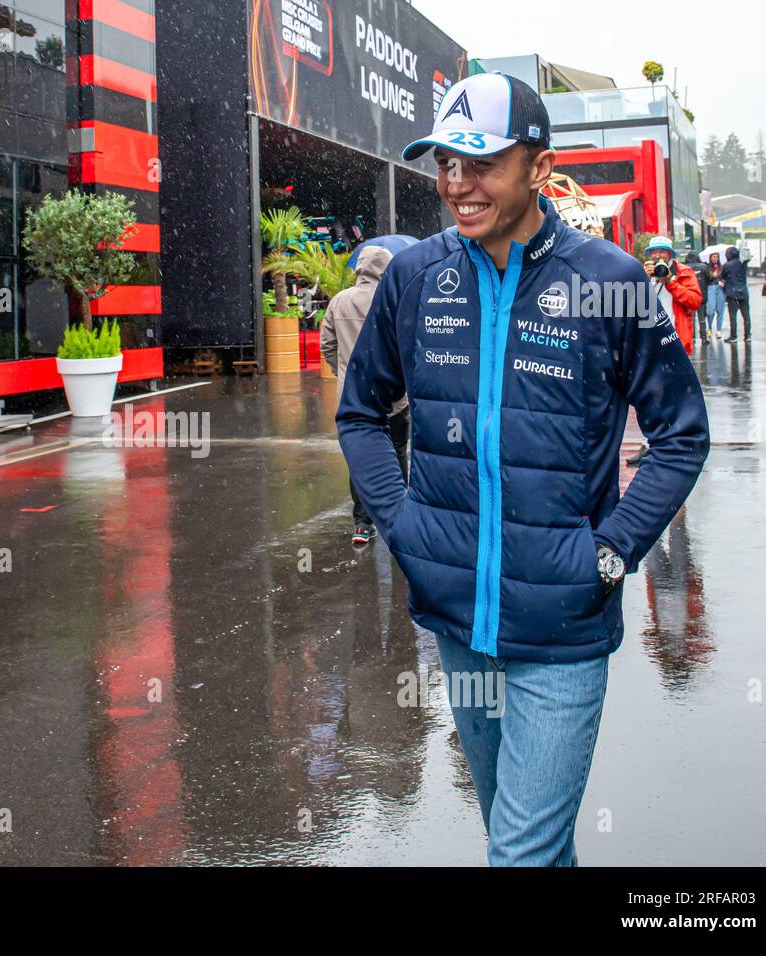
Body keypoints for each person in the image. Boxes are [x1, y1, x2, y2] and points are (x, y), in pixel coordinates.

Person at [337, 73, 710, 866]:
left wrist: (610, 551)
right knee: (521, 834)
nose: (455, 184)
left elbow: (682, 433)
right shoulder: (414, 278)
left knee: (519, 853)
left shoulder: (609, 283)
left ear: (539, 167)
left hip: (564, 623)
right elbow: (361, 413)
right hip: (458, 625)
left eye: (481, 163)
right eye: (444, 163)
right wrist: (406, 529)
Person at [320, 244, 410, 548]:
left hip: (353, 397)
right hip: (395, 397)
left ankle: (362, 523)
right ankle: (402, 518)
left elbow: (327, 346)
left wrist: (343, 372)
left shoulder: (339, 301)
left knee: (361, 458)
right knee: (397, 452)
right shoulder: (396, 299)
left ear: (360, 268)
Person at [642, 236, 702, 356]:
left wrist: (670, 283)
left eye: (662, 251)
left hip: (675, 337)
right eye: (654, 252)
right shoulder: (644, 272)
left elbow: (695, 301)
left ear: (670, 253)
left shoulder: (684, 272)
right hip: (651, 338)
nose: (658, 255)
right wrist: (642, 279)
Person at [721, 246, 751, 342]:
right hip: (743, 292)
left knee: (733, 316)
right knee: (746, 316)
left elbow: (723, 277)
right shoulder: (743, 263)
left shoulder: (727, 265)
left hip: (732, 293)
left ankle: (733, 336)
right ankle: (748, 335)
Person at [703, 252, 726, 341]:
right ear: (710, 257)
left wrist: (723, 282)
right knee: (710, 311)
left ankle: (718, 330)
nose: (715, 259)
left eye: (716, 257)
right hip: (711, 288)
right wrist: (713, 276)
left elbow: (725, 277)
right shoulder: (707, 267)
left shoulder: (722, 267)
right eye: (713, 257)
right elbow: (706, 278)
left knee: (720, 310)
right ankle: (709, 328)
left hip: (720, 289)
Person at [688, 251, 710, 341]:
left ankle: (692, 337)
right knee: (702, 319)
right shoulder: (703, 267)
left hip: (690, 296)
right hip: (701, 296)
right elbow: (709, 278)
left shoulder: (686, 267)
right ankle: (704, 337)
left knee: (691, 319)